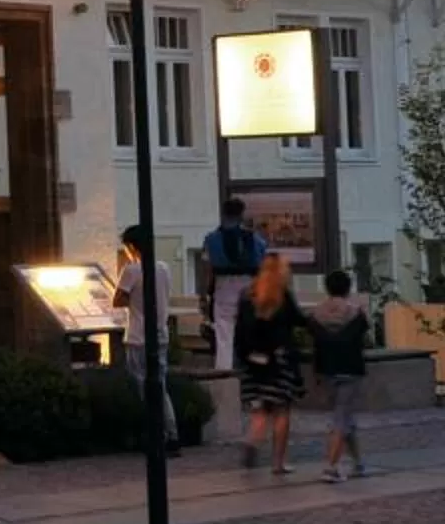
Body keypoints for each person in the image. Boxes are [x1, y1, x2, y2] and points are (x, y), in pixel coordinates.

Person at [110, 223, 183, 453]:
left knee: (144, 388)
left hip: (138, 336)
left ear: (132, 246)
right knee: (160, 385)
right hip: (160, 334)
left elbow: (117, 300)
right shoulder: (163, 268)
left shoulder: (132, 270)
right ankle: (172, 434)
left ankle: (156, 434)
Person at [233, 250, 305, 473]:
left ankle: (252, 440)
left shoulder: (247, 295)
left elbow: (239, 330)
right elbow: (300, 321)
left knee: (260, 409)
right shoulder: (282, 295)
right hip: (278, 360)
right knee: (281, 411)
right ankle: (278, 462)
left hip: (251, 361)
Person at [306, 267, 371, 482]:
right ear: (348, 288)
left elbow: (313, 339)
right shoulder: (356, 312)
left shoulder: (316, 314)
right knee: (342, 419)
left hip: (326, 370)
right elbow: (365, 335)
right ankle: (331, 467)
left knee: (343, 417)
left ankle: (359, 463)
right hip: (351, 369)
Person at [198, 196, 265, 373]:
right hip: (250, 287)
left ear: (223, 214)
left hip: (224, 286)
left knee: (224, 334)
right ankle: (252, 371)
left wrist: (203, 295)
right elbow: (263, 266)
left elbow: (207, 269)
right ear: (242, 214)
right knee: (251, 331)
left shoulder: (212, 239)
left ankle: (224, 373)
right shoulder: (255, 239)